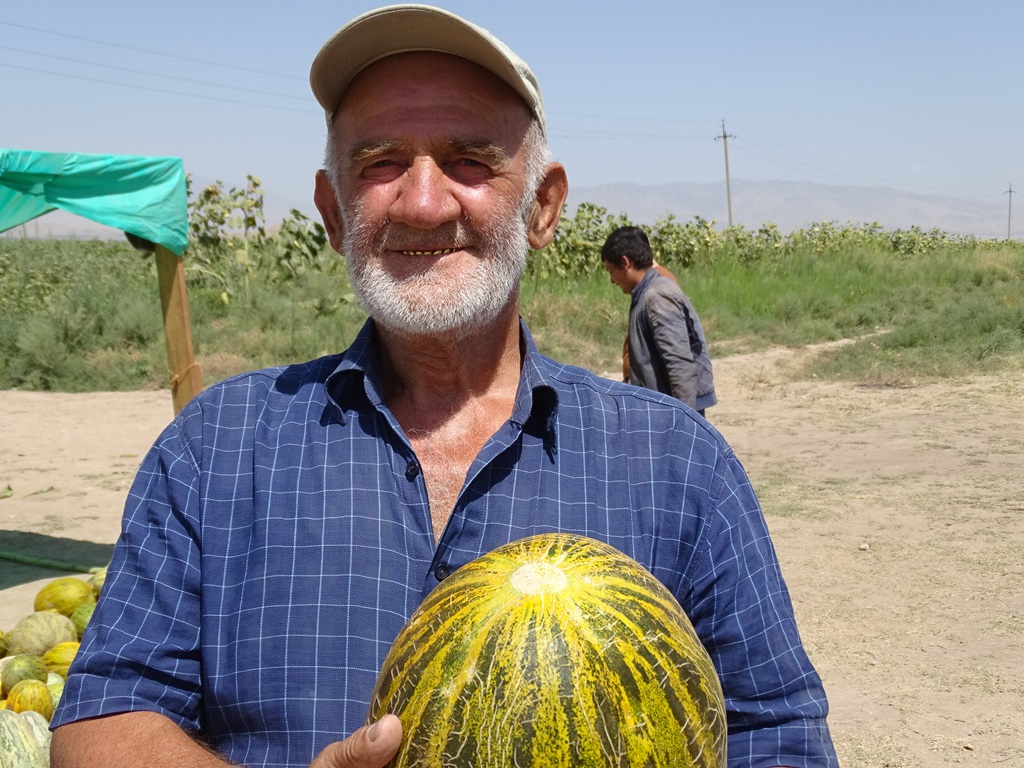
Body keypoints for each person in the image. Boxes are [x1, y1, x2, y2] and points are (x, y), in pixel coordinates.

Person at [50, 5, 837, 768]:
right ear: (332, 210)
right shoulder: (213, 447)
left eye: (470, 161)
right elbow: (103, 719)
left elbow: (776, 735)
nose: (423, 203)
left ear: (544, 205)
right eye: (380, 163)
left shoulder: (680, 465)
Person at [602, 225, 717, 416]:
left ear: (625, 262)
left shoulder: (657, 296)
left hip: (673, 412)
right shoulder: (645, 294)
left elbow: (679, 365)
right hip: (661, 407)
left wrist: (685, 424)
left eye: (611, 271)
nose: (612, 280)